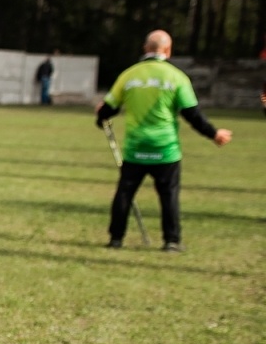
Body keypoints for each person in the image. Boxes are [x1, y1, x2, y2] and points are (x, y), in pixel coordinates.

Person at [97, 29, 232, 252]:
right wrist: (214, 134)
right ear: (168, 50)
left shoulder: (129, 75)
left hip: (135, 146)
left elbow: (108, 110)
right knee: (169, 195)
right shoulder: (176, 77)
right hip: (165, 148)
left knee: (125, 193)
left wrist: (101, 116)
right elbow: (192, 114)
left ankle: (116, 238)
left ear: (145, 49)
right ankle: (171, 240)